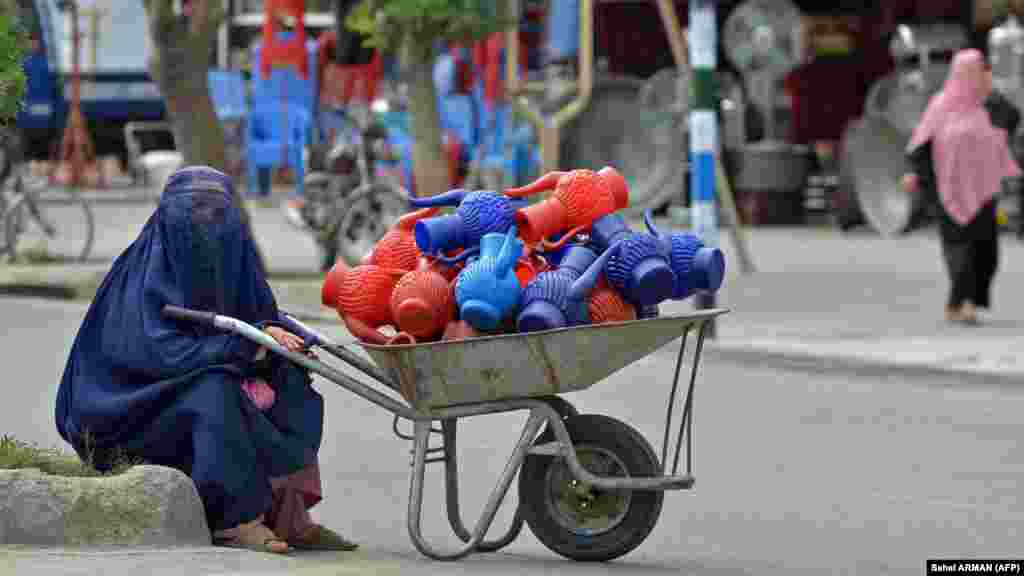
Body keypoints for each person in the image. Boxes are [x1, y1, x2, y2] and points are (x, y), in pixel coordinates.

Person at [55, 166, 357, 554]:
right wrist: (243, 347)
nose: (206, 226)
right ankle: (234, 520)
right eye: (193, 215)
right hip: (126, 409)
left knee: (290, 377)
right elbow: (159, 355)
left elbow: (256, 313)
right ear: (169, 220)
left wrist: (275, 335)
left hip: (198, 381)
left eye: (217, 215)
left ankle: (289, 516)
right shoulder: (140, 277)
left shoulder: (236, 258)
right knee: (214, 391)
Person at [902, 49, 1022, 324]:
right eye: (975, 70)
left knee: (987, 251)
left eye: (982, 70)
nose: (979, 75)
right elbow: (921, 143)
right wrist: (915, 174)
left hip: (984, 188)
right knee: (960, 247)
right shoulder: (940, 105)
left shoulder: (990, 106)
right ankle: (963, 302)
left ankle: (961, 302)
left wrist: (992, 92)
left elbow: (1013, 119)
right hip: (948, 188)